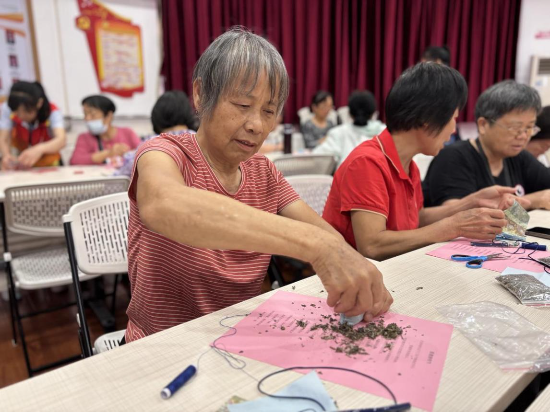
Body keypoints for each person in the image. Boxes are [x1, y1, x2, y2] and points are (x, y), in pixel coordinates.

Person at [125, 28, 392, 342]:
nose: (256, 125)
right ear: (200, 94)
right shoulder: (164, 153)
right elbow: (164, 205)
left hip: (237, 340)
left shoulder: (264, 172)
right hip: (161, 344)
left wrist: (352, 264)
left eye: (269, 111)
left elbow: (326, 237)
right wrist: (316, 245)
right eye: (242, 105)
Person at [323, 63, 526, 261]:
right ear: (427, 118)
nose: (453, 129)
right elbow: (372, 245)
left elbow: (416, 219)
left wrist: (471, 202)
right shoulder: (367, 162)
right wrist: (453, 226)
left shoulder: (408, 164)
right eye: (453, 118)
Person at [423, 80, 550, 210]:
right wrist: (534, 200)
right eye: (515, 127)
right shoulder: (453, 157)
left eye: (529, 128)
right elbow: (457, 214)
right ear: (483, 125)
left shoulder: (519, 156)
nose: (523, 136)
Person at [114, 90, 198, 177]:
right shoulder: (199, 139)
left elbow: (122, 175)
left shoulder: (149, 142)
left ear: (156, 115)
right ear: (189, 113)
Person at [0, 81, 66, 169]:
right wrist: (6, 155)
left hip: (50, 163)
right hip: (22, 162)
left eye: (26, 111)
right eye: (17, 112)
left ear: (39, 103)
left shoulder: (52, 111)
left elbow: (61, 140)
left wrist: (39, 149)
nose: (21, 116)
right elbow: (3, 138)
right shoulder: (8, 108)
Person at [313, 91, 386, 168]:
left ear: (349, 113)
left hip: (346, 175)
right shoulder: (384, 132)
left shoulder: (338, 132)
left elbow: (316, 157)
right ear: (373, 113)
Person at [70, 95, 140, 165]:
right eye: (85, 114)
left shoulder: (127, 133)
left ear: (108, 116)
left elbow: (143, 153)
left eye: (92, 114)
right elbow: (75, 160)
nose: (87, 118)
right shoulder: (84, 137)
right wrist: (108, 153)